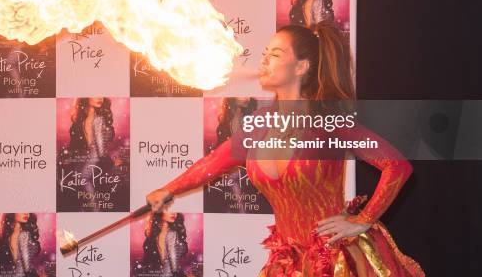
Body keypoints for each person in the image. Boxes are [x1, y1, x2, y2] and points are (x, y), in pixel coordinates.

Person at [147, 21, 425, 276]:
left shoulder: (328, 123)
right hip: (289, 264)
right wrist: (168, 189)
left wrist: (363, 220)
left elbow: (397, 166)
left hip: (337, 261)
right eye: (266, 52)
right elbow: (215, 161)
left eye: (276, 54)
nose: (264, 59)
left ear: (301, 67)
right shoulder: (258, 124)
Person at [140, 212, 188, 277]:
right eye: (169, 210)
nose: (174, 213)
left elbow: (174, 264)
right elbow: (147, 265)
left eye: (176, 211)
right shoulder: (150, 238)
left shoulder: (176, 233)